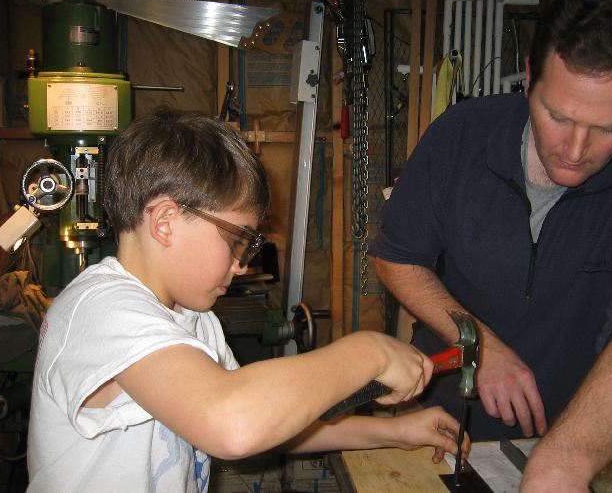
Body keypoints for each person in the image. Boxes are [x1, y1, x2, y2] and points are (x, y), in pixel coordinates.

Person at [26, 108, 469, 492]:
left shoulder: (193, 320)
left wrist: (395, 432)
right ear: (165, 222)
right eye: (237, 240)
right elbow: (232, 425)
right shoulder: (99, 309)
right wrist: (368, 351)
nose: (241, 265)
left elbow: (268, 425)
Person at [372, 0, 612, 491]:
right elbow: (398, 258)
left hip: (588, 439)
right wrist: (481, 346)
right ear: (530, 78)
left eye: (609, 128)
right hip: (449, 425)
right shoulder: (460, 136)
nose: (576, 149)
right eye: (558, 116)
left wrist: (562, 465)